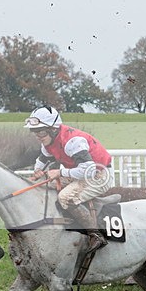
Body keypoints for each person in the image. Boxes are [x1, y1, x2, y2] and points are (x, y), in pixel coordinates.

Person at [25, 106, 113, 252]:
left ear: (53, 129)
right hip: (81, 173)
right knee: (42, 185)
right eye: (34, 132)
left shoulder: (73, 142)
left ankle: (95, 235)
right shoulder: (48, 142)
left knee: (64, 197)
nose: (38, 136)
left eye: (40, 131)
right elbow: (42, 160)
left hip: (99, 175)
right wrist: (37, 172)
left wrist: (60, 172)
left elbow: (89, 171)